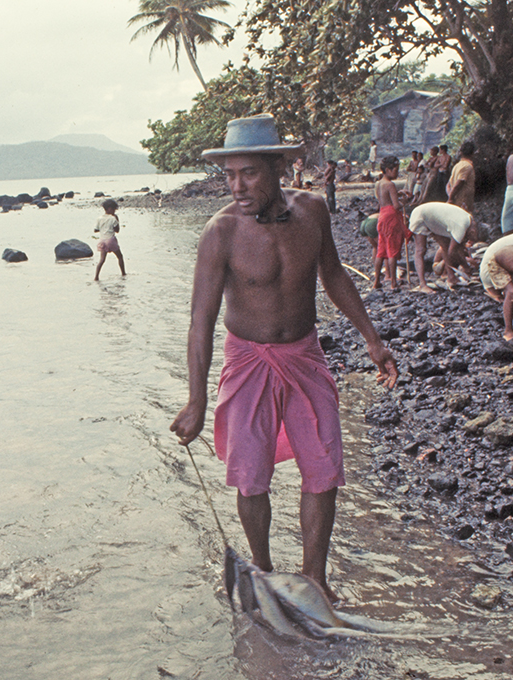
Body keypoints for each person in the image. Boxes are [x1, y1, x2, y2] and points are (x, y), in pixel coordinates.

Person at [169, 115, 398, 601]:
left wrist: (372, 340)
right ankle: (264, 572)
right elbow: (200, 321)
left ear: (278, 166)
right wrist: (195, 401)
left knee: (323, 466)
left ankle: (316, 578)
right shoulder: (221, 232)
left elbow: (334, 275)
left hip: (304, 355)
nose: (238, 186)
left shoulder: (313, 210)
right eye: (229, 175)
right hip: (247, 360)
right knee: (251, 476)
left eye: (248, 173)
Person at [408, 202, 479, 293]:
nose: (470, 240)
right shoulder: (462, 226)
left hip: (434, 219)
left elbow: (457, 248)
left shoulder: (469, 220)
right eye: (471, 238)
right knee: (421, 250)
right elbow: (452, 252)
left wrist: (466, 266)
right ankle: (422, 285)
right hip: (421, 215)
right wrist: (466, 266)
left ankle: (451, 277)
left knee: (445, 245)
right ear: (473, 232)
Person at [371, 156, 410, 291]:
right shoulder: (390, 184)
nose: (397, 173)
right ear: (387, 170)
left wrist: (398, 193)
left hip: (382, 215)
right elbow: (396, 205)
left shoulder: (379, 183)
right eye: (395, 170)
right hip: (391, 217)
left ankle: (376, 281)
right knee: (392, 250)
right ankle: (393, 282)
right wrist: (405, 201)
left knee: (381, 250)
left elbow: (385, 198)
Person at [94, 198, 126, 280]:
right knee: (120, 256)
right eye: (114, 210)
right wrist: (117, 220)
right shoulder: (113, 218)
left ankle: (96, 277)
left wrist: (103, 227)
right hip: (110, 240)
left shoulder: (99, 218)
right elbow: (117, 230)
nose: (114, 211)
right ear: (110, 209)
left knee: (101, 260)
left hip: (102, 241)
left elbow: (96, 230)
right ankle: (123, 273)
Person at [447, 141, 476, 213]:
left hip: (457, 201)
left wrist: (450, 195)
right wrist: (450, 198)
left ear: (461, 153)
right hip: (462, 203)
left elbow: (448, 184)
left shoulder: (457, 165)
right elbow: (459, 182)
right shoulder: (467, 166)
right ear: (473, 153)